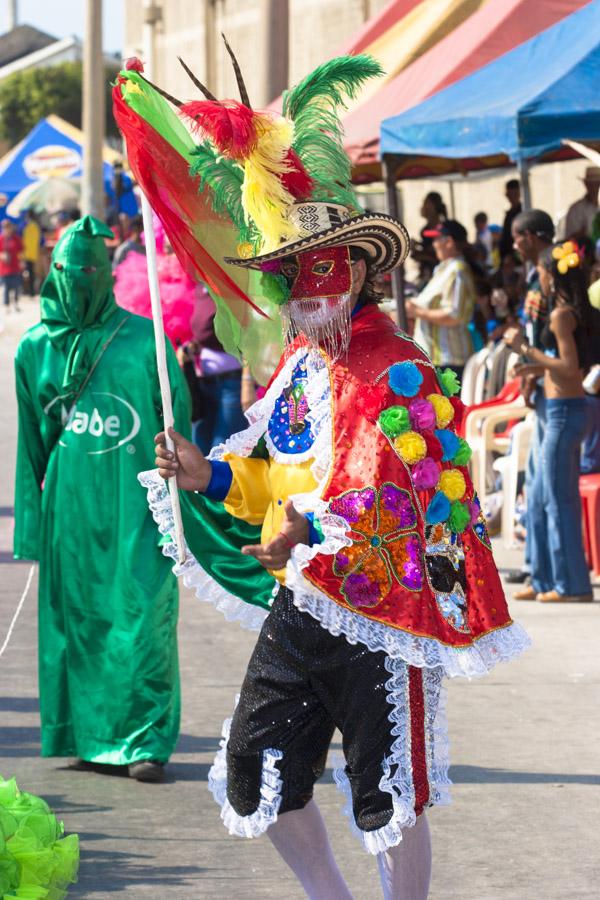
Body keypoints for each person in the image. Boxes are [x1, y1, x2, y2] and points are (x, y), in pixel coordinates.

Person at [116, 51, 529, 898]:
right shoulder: (302, 369)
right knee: (252, 767)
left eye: (322, 270)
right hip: (305, 602)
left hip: (387, 609)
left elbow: (409, 499)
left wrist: (316, 525)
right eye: (294, 275)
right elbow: (273, 476)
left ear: (359, 274)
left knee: (390, 795)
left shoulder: (401, 369)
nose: (305, 289)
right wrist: (207, 477)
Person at [13, 215, 190, 782]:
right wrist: (31, 526)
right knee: (77, 622)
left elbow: (177, 425)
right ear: (53, 272)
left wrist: (183, 502)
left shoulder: (146, 342)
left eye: (89, 271)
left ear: (106, 275)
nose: (78, 281)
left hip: (137, 507)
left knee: (140, 616)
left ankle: (144, 741)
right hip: (70, 511)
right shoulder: (35, 349)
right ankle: (82, 735)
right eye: (68, 271)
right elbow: (30, 448)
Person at [504, 242, 593, 602]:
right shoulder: (562, 311)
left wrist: (525, 350)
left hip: (564, 410)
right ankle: (543, 578)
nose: (536, 276)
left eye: (541, 270)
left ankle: (572, 585)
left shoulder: (561, 315)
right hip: (550, 406)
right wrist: (534, 368)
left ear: (550, 273)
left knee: (559, 499)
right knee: (539, 495)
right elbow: (563, 365)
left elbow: (571, 369)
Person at [504, 209, 555, 585]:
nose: (514, 244)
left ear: (532, 236)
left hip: (551, 384)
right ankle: (538, 568)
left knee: (544, 486)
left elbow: (544, 337)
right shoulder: (537, 274)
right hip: (541, 382)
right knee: (535, 483)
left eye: (518, 237)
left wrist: (530, 366)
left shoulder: (551, 275)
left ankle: (546, 570)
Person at [406, 219, 475, 382]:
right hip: (438, 359)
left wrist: (418, 312)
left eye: (437, 239)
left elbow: (454, 315)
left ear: (449, 242)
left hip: (449, 361)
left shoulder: (457, 271)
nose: (434, 244)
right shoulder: (443, 269)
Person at [412, 191, 448, 286]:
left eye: (426, 204)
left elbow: (441, 254)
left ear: (434, 206)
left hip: (443, 275)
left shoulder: (445, 228)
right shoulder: (425, 230)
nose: (422, 208)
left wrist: (422, 255)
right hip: (429, 275)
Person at [561, 166, 600, 242]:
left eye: (597, 183)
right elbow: (568, 239)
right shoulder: (576, 209)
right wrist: (583, 233)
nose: (595, 188)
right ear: (586, 184)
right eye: (591, 184)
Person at [0, 218, 23, 311]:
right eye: (5, 227)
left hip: (15, 266)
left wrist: (22, 261)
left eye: (8, 227)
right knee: (5, 288)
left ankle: (16, 303)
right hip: (4, 268)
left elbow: (21, 250)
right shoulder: (1, 239)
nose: (7, 229)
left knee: (16, 287)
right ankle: (7, 305)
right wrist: (1, 256)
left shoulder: (16, 238)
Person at [499, 178, 522, 261]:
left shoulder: (522, 212)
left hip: (517, 256)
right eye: (509, 194)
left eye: (514, 194)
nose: (511, 197)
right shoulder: (509, 214)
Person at [22, 209, 41, 296]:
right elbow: (41, 241)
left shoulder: (23, 226)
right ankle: (32, 291)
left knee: (24, 273)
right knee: (32, 273)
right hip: (34, 253)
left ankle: (26, 291)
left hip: (24, 253)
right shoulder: (36, 226)